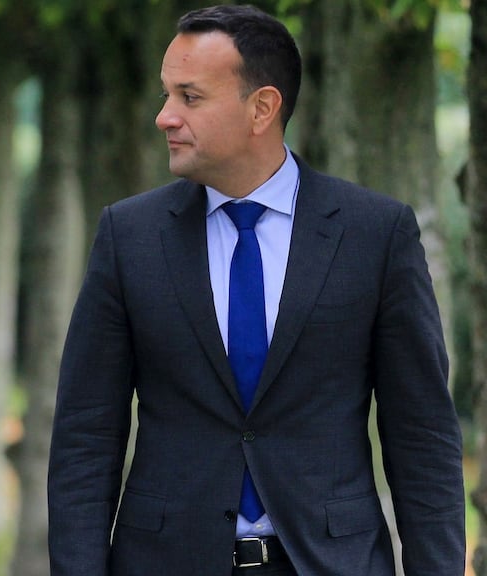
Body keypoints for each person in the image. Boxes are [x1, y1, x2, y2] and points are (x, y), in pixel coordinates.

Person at [47, 4, 465, 575]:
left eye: (189, 97)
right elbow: (86, 435)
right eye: (167, 95)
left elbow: (422, 437)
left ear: (262, 108)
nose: (165, 117)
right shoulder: (129, 236)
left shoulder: (375, 234)